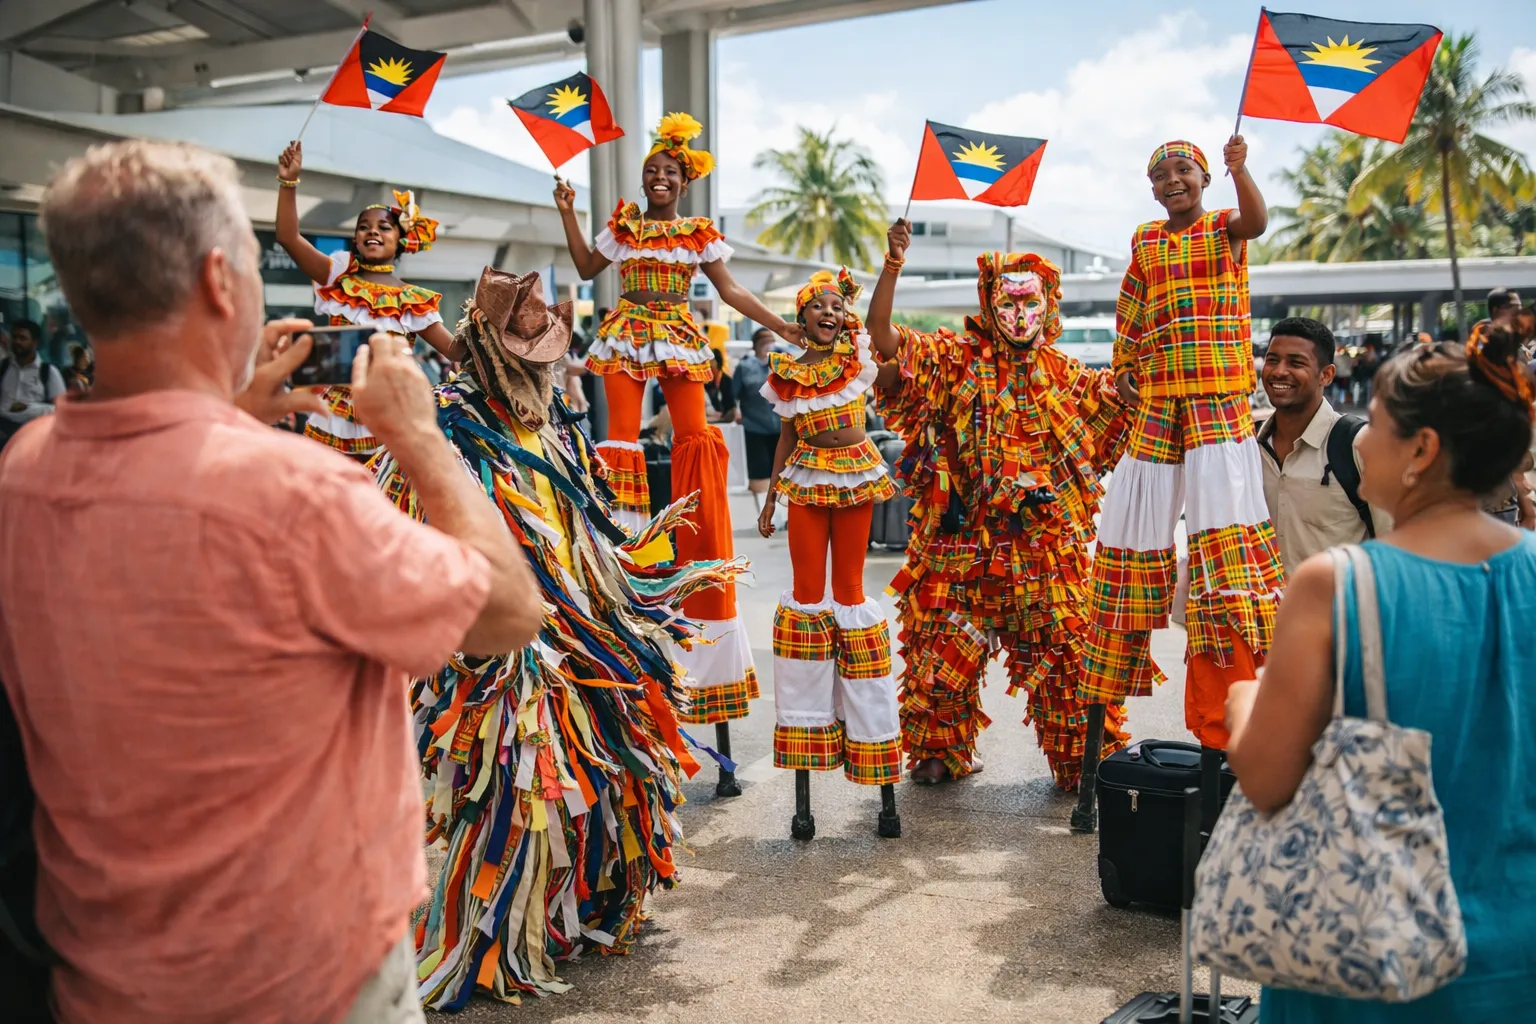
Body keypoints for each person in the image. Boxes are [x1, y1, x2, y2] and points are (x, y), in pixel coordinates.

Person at [0, 139, 542, 1024]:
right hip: (304, 984)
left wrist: (232, 416)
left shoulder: (22, 468)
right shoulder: (296, 493)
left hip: (102, 978)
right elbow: (509, 610)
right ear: (222, 282)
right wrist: (420, 440)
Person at [377, 268, 744, 1008]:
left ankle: (589, 904)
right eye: (529, 347)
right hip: (500, 642)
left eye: (546, 349)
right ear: (487, 347)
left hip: (581, 626)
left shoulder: (548, 422)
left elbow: (581, 525)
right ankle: (497, 938)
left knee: (610, 766)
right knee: (521, 787)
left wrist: (624, 586)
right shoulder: (449, 423)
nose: (544, 361)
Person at [1225, 325, 1536, 1022]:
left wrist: (1246, 697)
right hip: (1517, 957)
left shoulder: (1336, 586)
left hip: (1366, 958)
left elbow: (1266, 778)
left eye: (1381, 426)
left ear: (1422, 452)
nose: (1362, 439)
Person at [555, 113, 798, 739]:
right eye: (651, 171)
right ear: (642, 181)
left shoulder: (696, 234)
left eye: (668, 172)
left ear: (683, 183)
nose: (658, 178)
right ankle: (622, 531)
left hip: (677, 329)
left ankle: (700, 531)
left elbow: (733, 291)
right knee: (619, 440)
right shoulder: (625, 227)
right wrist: (567, 211)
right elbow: (585, 268)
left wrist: (786, 325)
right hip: (628, 325)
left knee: (694, 437)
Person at [868, 222, 1131, 789]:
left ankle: (1080, 761)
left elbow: (1120, 407)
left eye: (1029, 301)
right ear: (987, 304)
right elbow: (885, 341)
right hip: (958, 546)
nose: (1017, 314)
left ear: (1047, 303)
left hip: (1040, 554)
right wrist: (892, 266)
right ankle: (939, 751)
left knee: (1064, 657)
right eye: (1006, 302)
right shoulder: (953, 359)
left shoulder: (1066, 375)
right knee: (938, 659)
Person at [1079, 137, 1284, 756]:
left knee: (1227, 551)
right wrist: (1122, 366)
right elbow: (1131, 311)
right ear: (1152, 188)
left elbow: (1258, 220)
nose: (1173, 181)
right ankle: (1104, 695)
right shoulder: (1146, 238)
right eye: (1162, 175)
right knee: (1129, 536)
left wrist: (1241, 168)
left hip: (1218, 401)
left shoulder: (1225, 226)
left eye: (1185, 171)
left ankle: (1235, 717)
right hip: (1160, 400)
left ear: (1204, 179)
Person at [757, 269, 901, 836]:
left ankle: (872, 749)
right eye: (818, 305)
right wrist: (770, 500)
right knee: (807, 601)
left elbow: (882, 326)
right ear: (802, 315)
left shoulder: (857, 353)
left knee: (851, 596)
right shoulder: (789, 371)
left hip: (859, 473)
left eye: (838, 305)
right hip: (808, 479)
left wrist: (890, 266)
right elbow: (787, 437)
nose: (830, 312)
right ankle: (806, 751)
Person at [274, 140, 462, 459]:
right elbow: (288, 238)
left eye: (383, 227)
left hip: (392, 412)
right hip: (334, 412)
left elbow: (457, 351)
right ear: (356, 238)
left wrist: (491, 329)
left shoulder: (413, 300)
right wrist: (288, 182)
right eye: (363, 227)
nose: (371, 232)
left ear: (402, 239)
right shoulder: (339, 275)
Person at [1258, 317, 1392, 576]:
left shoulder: (1359, 445)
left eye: (1296, 363)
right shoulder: (1250, 448)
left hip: (1339, 613)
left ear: (1327, 375)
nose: (1279, 371)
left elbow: (1395, 546)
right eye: (1273, 360)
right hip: (1262, 615)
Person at [734, 327, 779, 510]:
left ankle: (780, 515)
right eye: (762, 341)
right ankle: (762, 512)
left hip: (781, 427)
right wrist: (735, 412)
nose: (767, 345)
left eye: (769, 341)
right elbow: (734, 395)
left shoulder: (781, 363)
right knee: (759, 474)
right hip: (755, 427)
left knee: (781, 473)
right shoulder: (744, 367)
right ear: (755, 344)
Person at [0, 320, 66, 446]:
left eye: (23, 338)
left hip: (34, 436)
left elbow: (62, 410)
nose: (17, 342)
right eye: (14, 337)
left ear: (35, 342)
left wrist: (30, 408)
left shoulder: (48, 372)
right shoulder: (3, 367)